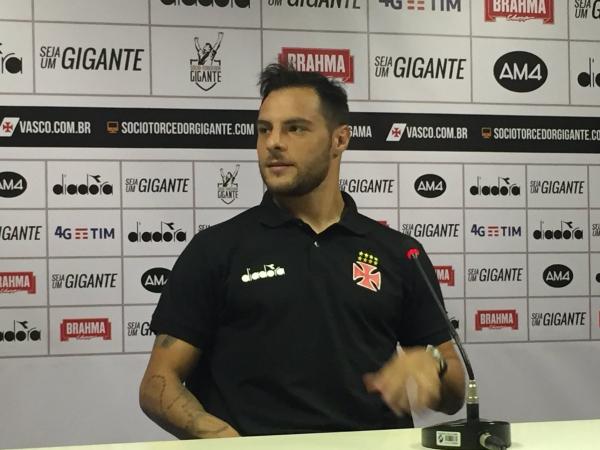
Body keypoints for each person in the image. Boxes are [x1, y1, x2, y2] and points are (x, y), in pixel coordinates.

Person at [139, 63, 466, 439]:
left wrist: (433, 364)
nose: (273, 143)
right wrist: (223, 441)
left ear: (339, 140)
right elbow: (157, 383)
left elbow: (455, 393)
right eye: (265, 129)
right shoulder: (215, 249)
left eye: (295, 128)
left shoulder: (400, 253)